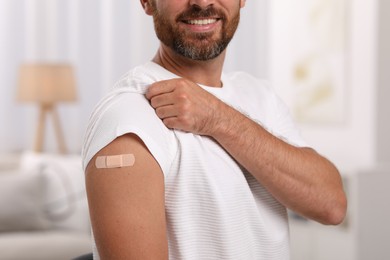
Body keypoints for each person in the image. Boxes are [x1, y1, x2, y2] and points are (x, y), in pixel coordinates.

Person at [82, 0, 347, 259]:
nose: (202, 2)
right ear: (147, 3)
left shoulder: (261, 96)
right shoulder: (128, 116)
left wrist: (218, 118)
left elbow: (332, 206)